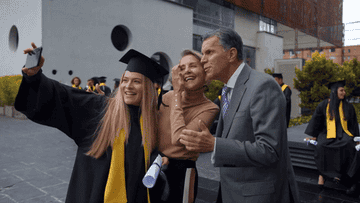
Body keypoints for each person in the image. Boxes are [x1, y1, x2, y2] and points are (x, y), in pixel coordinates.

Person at [15, 43, 169, 203]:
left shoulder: (149, 122)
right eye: (125, 80)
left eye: (136, 81)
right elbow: (63, 96)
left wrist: (157, 159)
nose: (128, 86)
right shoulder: (99, 108)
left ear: (148, 88)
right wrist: (34, 77)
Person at [178, 28, 300, 203]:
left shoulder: (262, 86)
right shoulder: (228, 89)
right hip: (232, 191)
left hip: (258, 196)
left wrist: (214, 144)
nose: (202, 60)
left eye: (209, 52)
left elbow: (269, 150)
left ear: (231, 54)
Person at [155, 49, 219, 203]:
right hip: (156, 165)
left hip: (182, 173)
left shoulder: (209, 108)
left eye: (193, 66)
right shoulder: (166, 98)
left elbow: (179, 139)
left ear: (205, 73)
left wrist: (177, 93)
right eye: (182, 68)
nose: (187, 71)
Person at [304, 80, 360, 195]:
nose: (344, 92)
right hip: (327, 133)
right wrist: (314, 136)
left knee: (348, 144)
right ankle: (322, 175)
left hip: (344, 134)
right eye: (341, 90)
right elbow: (317, 121)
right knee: (322, 145)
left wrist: (357, 138)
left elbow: (353, 124)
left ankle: (345, 176)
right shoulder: (324, 105)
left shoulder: (348, 106)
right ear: (334, 91)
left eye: (344, 90)